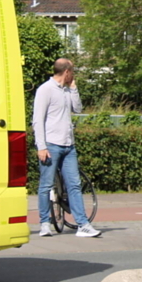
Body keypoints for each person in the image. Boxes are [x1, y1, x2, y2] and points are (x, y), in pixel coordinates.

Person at [34, 58, 101, 238]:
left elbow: (77, 108)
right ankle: (44, 223)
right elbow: (38, 120)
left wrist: (73, 88)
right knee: (46, 185)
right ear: (67, 72)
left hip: (68, 145)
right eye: (73, 71)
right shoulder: (45, 90)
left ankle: (83, 224)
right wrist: (41, 146)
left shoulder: (66, 90)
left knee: (74, 184)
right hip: (51, 144)